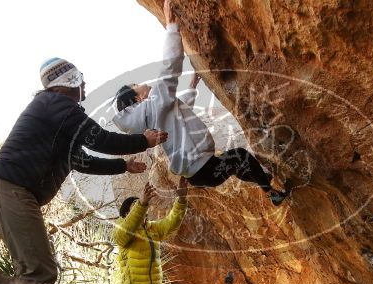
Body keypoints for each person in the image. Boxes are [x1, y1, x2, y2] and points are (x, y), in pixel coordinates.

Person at [0, 57, 168, 284]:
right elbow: (101, 139)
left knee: (37, 271)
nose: (84, 83)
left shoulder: (57, 114)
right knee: (39, 274)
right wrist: (143, 141)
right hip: (9, 191)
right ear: (67, 82)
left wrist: (123, 166)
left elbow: (82, 161)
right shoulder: (56, 105)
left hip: (10, 193)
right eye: (79, 79)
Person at [112, 0, 289, 206]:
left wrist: (192, 85)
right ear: (137, 98)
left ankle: (264, 181)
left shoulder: (153, 113)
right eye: (136, 85)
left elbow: (180, 109)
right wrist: (171, 27)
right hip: (201, 167)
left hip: (198, 172)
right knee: (240, 157)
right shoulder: (153, 104)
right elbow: (170, 68)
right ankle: (271, 193)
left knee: (235, 164)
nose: (142, 84)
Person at [113, 178, 188, 284]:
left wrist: (181, 199)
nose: (144, 211)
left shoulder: (153, 229)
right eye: (139, 208)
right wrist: (142, 203)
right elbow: (121, 237)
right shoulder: (122, 230)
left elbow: (172, 222)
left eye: (145, 208)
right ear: (127, 214)